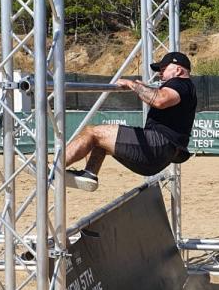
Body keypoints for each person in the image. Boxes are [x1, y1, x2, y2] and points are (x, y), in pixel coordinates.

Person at [64, 51, 197, 191]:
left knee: (92, 132)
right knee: (100, 142)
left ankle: (54, 167)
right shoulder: (186, 88)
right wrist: (140, 87)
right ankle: (89, 174)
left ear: (178, 70)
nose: (160, 74)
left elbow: (160, 100)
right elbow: (160, 97)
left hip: (158, 144)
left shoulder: (180, 83)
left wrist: (131, 84)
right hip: (161, 155)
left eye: (163, 70)